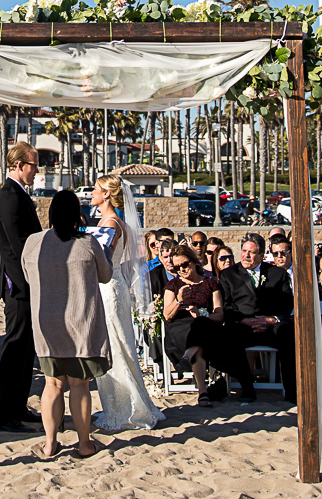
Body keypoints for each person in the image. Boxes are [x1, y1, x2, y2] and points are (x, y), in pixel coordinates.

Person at [22, 190, 111, 459]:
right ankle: (84, 443)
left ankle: (50, 444)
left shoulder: (33, 242)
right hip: (80, 321)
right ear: (76, 215)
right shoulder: (87, 243)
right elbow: (105, 276)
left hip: (47, 322)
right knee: (80, 385)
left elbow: (27, 278)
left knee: (52, 385)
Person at [86, 175, 163, 432]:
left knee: (116, 346)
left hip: (109, 287)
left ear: (107, 194)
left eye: (96, 189)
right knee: (113, 344)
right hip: (106, 285)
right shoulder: (108, 221)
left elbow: (104, 258)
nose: (92, 192)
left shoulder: (112, 224)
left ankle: (127, 407)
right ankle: (119, 403)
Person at [0, 141, 44, 434]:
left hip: (27, 283)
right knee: (15, 348)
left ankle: (19, 405)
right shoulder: (10, 198)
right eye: (33, 165)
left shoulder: (19, 195)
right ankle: (5, 414)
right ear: (18, 165)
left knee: (26, 351)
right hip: (19, 284)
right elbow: (19, 247)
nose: (36, 171)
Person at [216, 233, 295, 403]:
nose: (246, 255)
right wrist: (244, 320)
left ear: (261, 254)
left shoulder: (277, 274)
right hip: (243, 325)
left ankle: (291, 390)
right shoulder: (229, 275)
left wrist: (272, 319)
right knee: (230, 333)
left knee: (287, 332)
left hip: (270, 325)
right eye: (244, 251)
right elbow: (227, 306)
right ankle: (247, 389)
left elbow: (287, 303)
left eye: (251, 253)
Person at [163, 244, 223, 405]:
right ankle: (203, 392)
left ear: (194, 262)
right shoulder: (173, 285)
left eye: (184, 264)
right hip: (180, 328)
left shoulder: (210, 283)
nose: (181, 269)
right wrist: (179, 300)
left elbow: (219, 314)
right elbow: (167, 315)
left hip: (205, 325)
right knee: (199, 339)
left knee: (201, 326)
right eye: (177, 267)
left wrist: (202, 313)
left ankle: (187, 359)